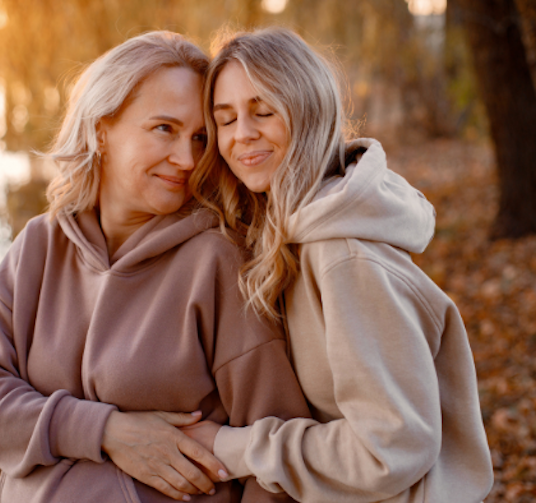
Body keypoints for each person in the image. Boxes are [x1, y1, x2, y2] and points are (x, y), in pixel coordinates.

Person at [0, 31, 310, 503]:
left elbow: (276, 458)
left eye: (200, 137)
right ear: (101, 128)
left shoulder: (216, 263)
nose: (187, 159)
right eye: (164, 129)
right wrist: (106, 431)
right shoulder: (40, 244)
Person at [185, 28, 494, 502]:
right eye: (225, 120)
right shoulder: (287, 233)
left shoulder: (343, 255)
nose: (242, 134)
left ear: (308, 112)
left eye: (263, 111)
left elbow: (388, 448)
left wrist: (236, 448)